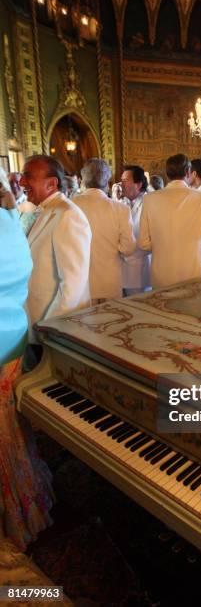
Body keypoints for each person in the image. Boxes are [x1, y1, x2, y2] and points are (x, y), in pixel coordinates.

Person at [0, 182, 54, 550]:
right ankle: (28, 495)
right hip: (14, 335)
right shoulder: (10, 224)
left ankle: (16, 509)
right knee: (12, 428)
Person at [137, 154, 201, 288]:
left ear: (167, 174)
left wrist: (162, 246)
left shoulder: (150, 199)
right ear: (188, 172)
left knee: (161, 309)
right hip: (192, 275)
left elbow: (143, 243)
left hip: (161, 275)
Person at [22, 155, 92, 333]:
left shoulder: (68, 215)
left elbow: (73, 285)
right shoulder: (47, 210)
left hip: (54, 325)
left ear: (51, 184)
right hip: (37, 318)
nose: (22, 182)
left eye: (28, 176)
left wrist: (50, 329)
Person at [74, 159, 137, 303]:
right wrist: (116, 247)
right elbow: (129, 248)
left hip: (81, 283)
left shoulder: (72, 205)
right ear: (107, 180)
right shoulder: (121, 209)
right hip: (110, 280)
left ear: (84, 179)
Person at [119, 165, 151, 295]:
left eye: (125, 181)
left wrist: (130, 253)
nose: (121, 185)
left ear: (138, 184)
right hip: (121, 267)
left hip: (141, 265)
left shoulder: (149, 203)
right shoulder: (122, 203)